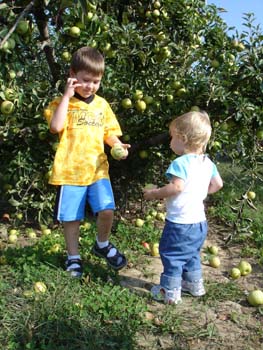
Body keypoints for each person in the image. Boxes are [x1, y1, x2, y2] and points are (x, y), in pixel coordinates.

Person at [44, 46, 130, 277]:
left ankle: (102, 244)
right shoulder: (61, 104)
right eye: (85, 80)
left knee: (107, 209)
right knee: (72, 218)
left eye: (96, 82)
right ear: (72, 75)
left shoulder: (102, 105)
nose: (90, 86)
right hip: (70, 171)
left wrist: (117, 145)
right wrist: (66, 96)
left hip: (97, 170)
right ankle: (73, 257)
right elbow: (55, 127)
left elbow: (109, 132)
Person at [143, 111, 223, 304]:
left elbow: (176, 187)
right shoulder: (207, 162)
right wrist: (198, 193)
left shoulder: (180, 163)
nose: (170, 142)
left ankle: (169, 291)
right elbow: (218, 184)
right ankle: (194, 285)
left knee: (172, 254)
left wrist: (153, 193)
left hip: (180, 223)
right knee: (191, 253)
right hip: (199, 223)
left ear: (182, 138)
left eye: (172, 137)